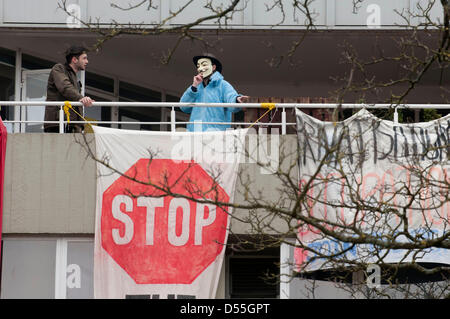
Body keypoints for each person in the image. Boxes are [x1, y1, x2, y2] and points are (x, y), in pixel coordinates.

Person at [180, 53, 248, 132]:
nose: (200, 68)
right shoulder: (195, 87)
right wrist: (194, 86)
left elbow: (231, 97)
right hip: (195, 134)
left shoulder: (222, 85)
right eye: (198, 66)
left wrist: (236, 99)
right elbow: (183, 107)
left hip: (216, 135)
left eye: (204, 65)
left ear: (213, 67)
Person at [44, 45, 94, 133]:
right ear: (74, 60)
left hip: (70, 124)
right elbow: (65, 87)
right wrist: (81, 98)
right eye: (84, 58)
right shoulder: (59, 68)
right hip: (58, 123)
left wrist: (80, 125)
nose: (87, 61)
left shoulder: (74, 76)